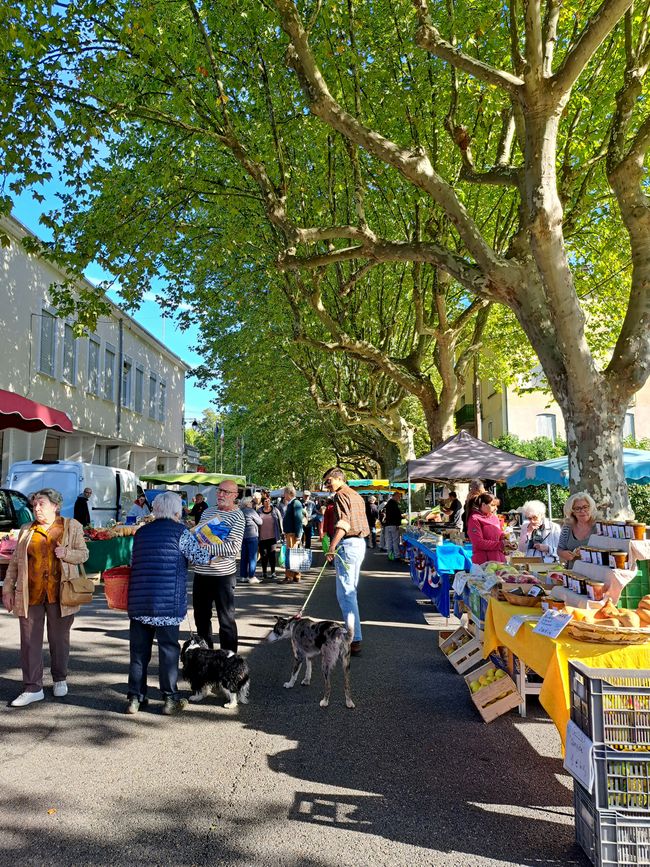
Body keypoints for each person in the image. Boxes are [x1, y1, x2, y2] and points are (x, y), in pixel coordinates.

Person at [125, 491, 211, 715]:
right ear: (177, 512)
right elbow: (201, 559)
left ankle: (135, 698)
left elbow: (132, 561)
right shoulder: (181, 533)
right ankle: (170, 699)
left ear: (155, 510)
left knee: (138, 652)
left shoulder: (141, 532)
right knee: (168, 651)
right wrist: (207, 544)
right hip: (168, 604)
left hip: (140, 601)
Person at [2, 488, 89, 707]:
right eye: (34, 505)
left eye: (41, 504)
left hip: (61, 594)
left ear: (55, 506)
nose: (36, 508)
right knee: (29, 642)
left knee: (59, 640)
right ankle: (33, 687)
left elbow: (84, 554)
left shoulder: (71, 526)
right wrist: (7, 589)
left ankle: (60, 678)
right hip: (30, 593)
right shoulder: (26, 529)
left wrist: (66, 554)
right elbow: (15, 562)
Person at [191, 481, 246, 652]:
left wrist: (207, 548)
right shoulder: (208, 511)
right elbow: (198, 535)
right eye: (219, 490)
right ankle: (206, 655)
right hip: (201, 573)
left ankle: (229, 659)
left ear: (235, 495)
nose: (221, 494)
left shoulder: (238, 516)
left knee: (226, 620)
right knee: (201, 618)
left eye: (226, 492)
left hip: (222, 576)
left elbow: (233, 547)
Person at [322, 467, 369, 655]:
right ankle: (354, 636)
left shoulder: (341, 495)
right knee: (350, 592)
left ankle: (353, 638)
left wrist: (332, 546)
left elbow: (344, 523)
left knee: (346, 594)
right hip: (359, 544)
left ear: (339, 478)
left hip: (348, 544)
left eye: (328, 481)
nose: (327, 486)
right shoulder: (356, 495)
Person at [557, 491, 598, 568]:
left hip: (595, 572)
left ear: (591, 508)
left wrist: (586, 552)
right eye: (577, 508)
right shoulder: (567, 528)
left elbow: (608, 551)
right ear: (572, 512)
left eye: (585, 507)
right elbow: (560, 549)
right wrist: (563, 553)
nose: (582, 511)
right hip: (572, 572)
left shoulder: (599, 527)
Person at [466, 492, 507, 565]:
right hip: (484, 562)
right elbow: (478, 543)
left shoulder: (494, 517)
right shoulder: (474, 519)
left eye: (496, 506)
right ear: (483, 505)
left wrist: (504, 538)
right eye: (493, 505)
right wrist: (500, 545)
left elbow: (499, 533)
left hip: (499, 559)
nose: (496, 508)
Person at [280, 486, 304, 583]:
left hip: (292, 534)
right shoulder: (292, 503)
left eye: (284, 493)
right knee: (294, 555)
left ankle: (289, 576)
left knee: (291, 555)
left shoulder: (295, 503)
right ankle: (296, 575)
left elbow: (298, 520)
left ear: (289, 493)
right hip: (290, 533)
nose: (283, 495)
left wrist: (298, 535)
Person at [257, 495, 283, 581]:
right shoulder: (259, 511)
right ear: (262, 502)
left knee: (272, 555)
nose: (267, 502)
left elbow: (280, 521)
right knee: (264, 555)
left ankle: (273, 572)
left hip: (272, 537)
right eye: (265, 501)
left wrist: (282, 532)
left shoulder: (275, 510)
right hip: (262, 537)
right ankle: (264, 572)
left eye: (268, 500)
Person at [239, 496, 263, 584]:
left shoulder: (240, 511)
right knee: (252, 557)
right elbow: (260, 521)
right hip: (252, 535)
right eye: (252, 502)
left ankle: (243, 576)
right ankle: (252, 576)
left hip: (243, 536)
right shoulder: (251, 511)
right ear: (247, 503)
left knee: (244, 557)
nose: (253, 503)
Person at [383, 491, 403, 560]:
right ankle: (396, 555)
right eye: (398, 497)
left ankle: (390, 555)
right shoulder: (394, 504)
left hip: (388, 524)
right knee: (395, 541)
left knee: (389, 541)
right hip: (393, 524)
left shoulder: (388, 503)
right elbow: (397, 515)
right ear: (395, 496)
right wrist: (398, 523)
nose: (399, 498)